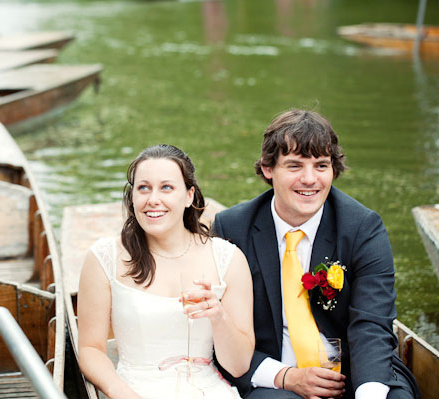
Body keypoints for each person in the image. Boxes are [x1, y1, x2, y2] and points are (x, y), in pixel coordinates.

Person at [213, 109, 420, 399]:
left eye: (321, 166)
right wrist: (285, 377)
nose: (310, 179)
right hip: (278, 374)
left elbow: (371, 323)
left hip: (355, 369)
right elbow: (222, 329)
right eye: (295, 166)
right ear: (268, 168)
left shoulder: (362, 227)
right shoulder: (233, 227)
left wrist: (368, 393)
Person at [77, 144, 255, 399]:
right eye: (143, 188)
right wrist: (122, 393)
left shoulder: (228, 258)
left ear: (189, 196)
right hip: (135, 390)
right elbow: (90, 349)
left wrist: (219, 317)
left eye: (167, 187)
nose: (153, 200)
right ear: (133, 197)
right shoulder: (105, 257)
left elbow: (238, 366)